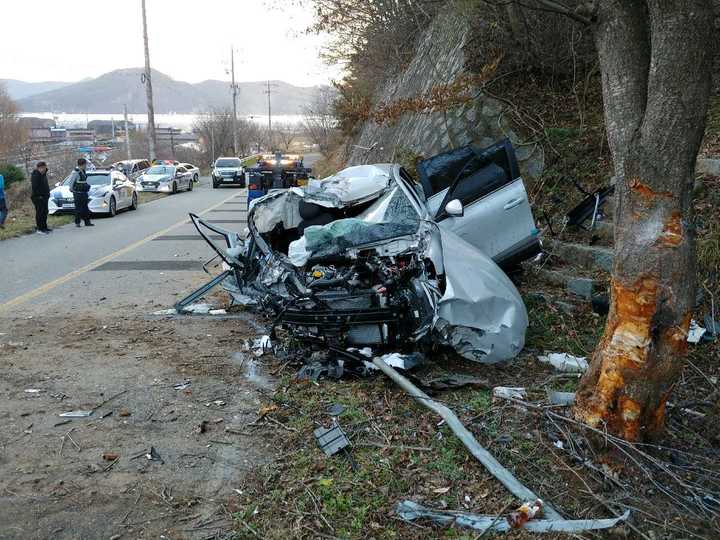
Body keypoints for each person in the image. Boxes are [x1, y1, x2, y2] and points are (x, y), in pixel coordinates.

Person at [68, 158, 94, 227]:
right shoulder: (75, 172)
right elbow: (71, 182)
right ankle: (77, 222)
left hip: (84, 192)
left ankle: (87, 222)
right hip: (78, 193)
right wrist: (71, 189)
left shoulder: (83, 171)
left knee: (85, 207)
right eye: (85, 164)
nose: (86, 166)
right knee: (78, 208)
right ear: (82, 164)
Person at [30, 161, 51, 234]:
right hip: (38, 197)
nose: (44, 169)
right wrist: (39, 196)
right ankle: (40, 229)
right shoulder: (35, 175)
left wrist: (47, 194)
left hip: (45, 196)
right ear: (39, 168)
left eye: (45, 168)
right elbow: (35, 187)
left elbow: (45, 185)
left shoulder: (43, 174)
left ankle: (44, 227)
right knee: (40, 213)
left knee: (45, 212)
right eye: (42, 168)